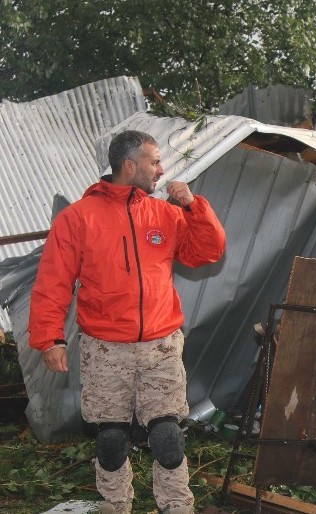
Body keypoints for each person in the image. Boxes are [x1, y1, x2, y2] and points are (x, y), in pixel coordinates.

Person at [29, 130, 227, 514]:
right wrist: (49, 339)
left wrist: (194, 206)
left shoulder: (164, 214)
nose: (161, 169)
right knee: (112, 438)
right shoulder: (79, 218)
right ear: (129, 165)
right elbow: (53, 280)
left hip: (162, 345)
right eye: (154, 161)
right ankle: (115, 504)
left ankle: (175, 505)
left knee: (168, 435)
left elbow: (208, 251)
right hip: (105, 349)